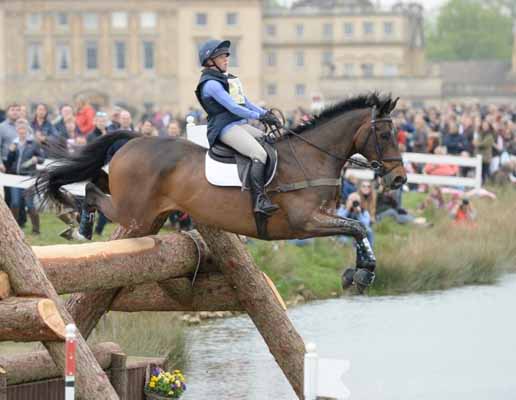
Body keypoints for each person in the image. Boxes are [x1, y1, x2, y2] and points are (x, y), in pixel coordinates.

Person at [194, 39, 281, 216]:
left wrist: (266, 114)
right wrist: (259, 116)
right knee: (259, 154)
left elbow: (245, 102)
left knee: (271, 140)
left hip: (238, 125)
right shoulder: (211, 84)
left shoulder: (226, 79)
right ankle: (259, 201)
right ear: (210, 61)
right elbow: (233, 108)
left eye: (226, 56)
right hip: (223, 129)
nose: (226, 59)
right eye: (221, 57)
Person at [4, 119, 45, 233]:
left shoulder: (33, 143)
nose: (21, 131)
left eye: (23, 129)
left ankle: (36, 230)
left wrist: (37, 159)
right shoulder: (14, 143)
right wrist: (11, 152)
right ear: (17, 130)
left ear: (27, 130)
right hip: (15, 178)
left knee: (29, 203)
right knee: (15, 203)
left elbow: (42, 159)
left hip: (29, 177)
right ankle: (14, 229)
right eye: (19, 129)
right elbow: (8, 163)